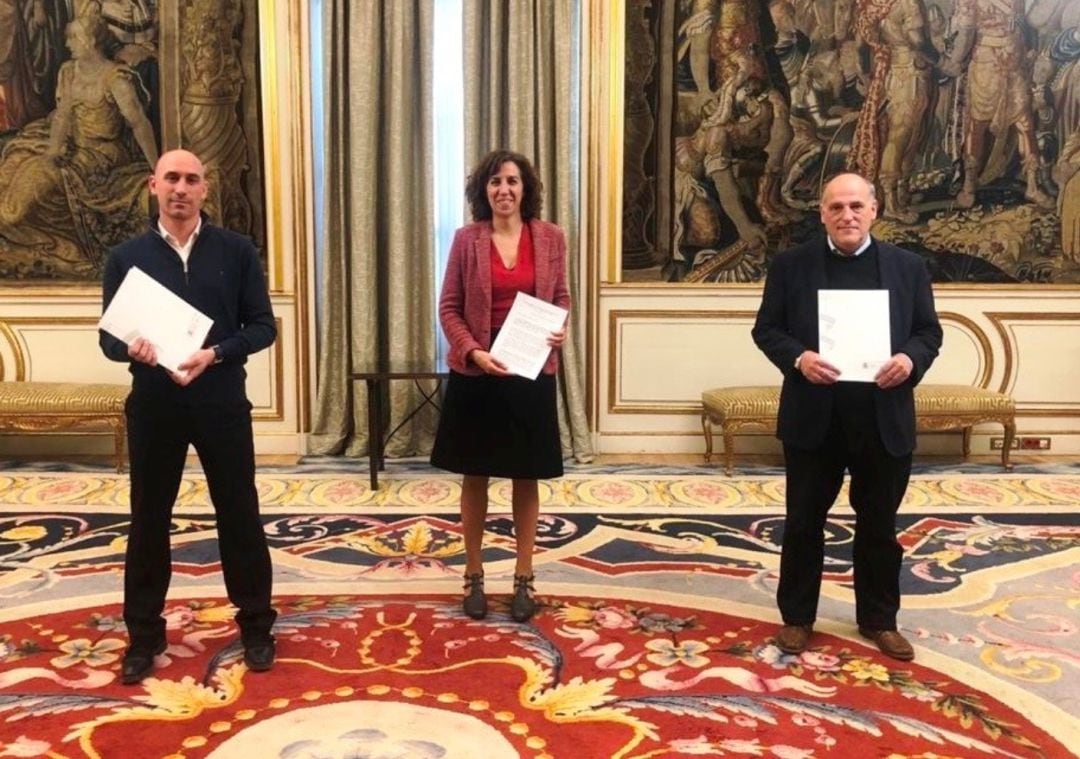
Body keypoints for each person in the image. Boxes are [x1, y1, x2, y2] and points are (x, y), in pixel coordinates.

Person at [98, 149, 277, 683]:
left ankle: (256, 627)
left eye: (191, 179)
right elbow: (109, 340)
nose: (181, 187)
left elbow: (262, 327)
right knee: (149, 519)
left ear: (205, 189)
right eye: (171, 177)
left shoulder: (236, 251)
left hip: (220, 401)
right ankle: (143, 637)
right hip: (155, 406)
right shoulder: (125, 257)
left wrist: (215, 353)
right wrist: (133, 349)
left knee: (239, 512)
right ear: (153, 185)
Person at [751, 172, 942, 661]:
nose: (847, 215)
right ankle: (797, 618)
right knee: (802, 523)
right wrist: (800, 358)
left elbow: (928, 332)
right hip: (815, 418)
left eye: (856, 206)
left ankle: (879, 620)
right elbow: (767, 329)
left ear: (874, 210)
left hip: (883, 417)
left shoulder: (907, 267)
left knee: (879, 524)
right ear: (822, 214)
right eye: (836, 207)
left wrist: (910, 360)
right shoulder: (791, 266)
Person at [430, 149, 569, 623]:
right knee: (476, 476)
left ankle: (524, 576)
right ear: (482, 191)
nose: (503, 190)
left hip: (530, 374)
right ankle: (473, 575)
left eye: (511, 181)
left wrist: (560, 329)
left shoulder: (551, 238)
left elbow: (561, 297)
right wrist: (472, 351)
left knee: (525, 476)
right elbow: (448, 307)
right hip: (479, 373)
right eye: (494, 182)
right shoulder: (466, 240)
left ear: (525, 188)